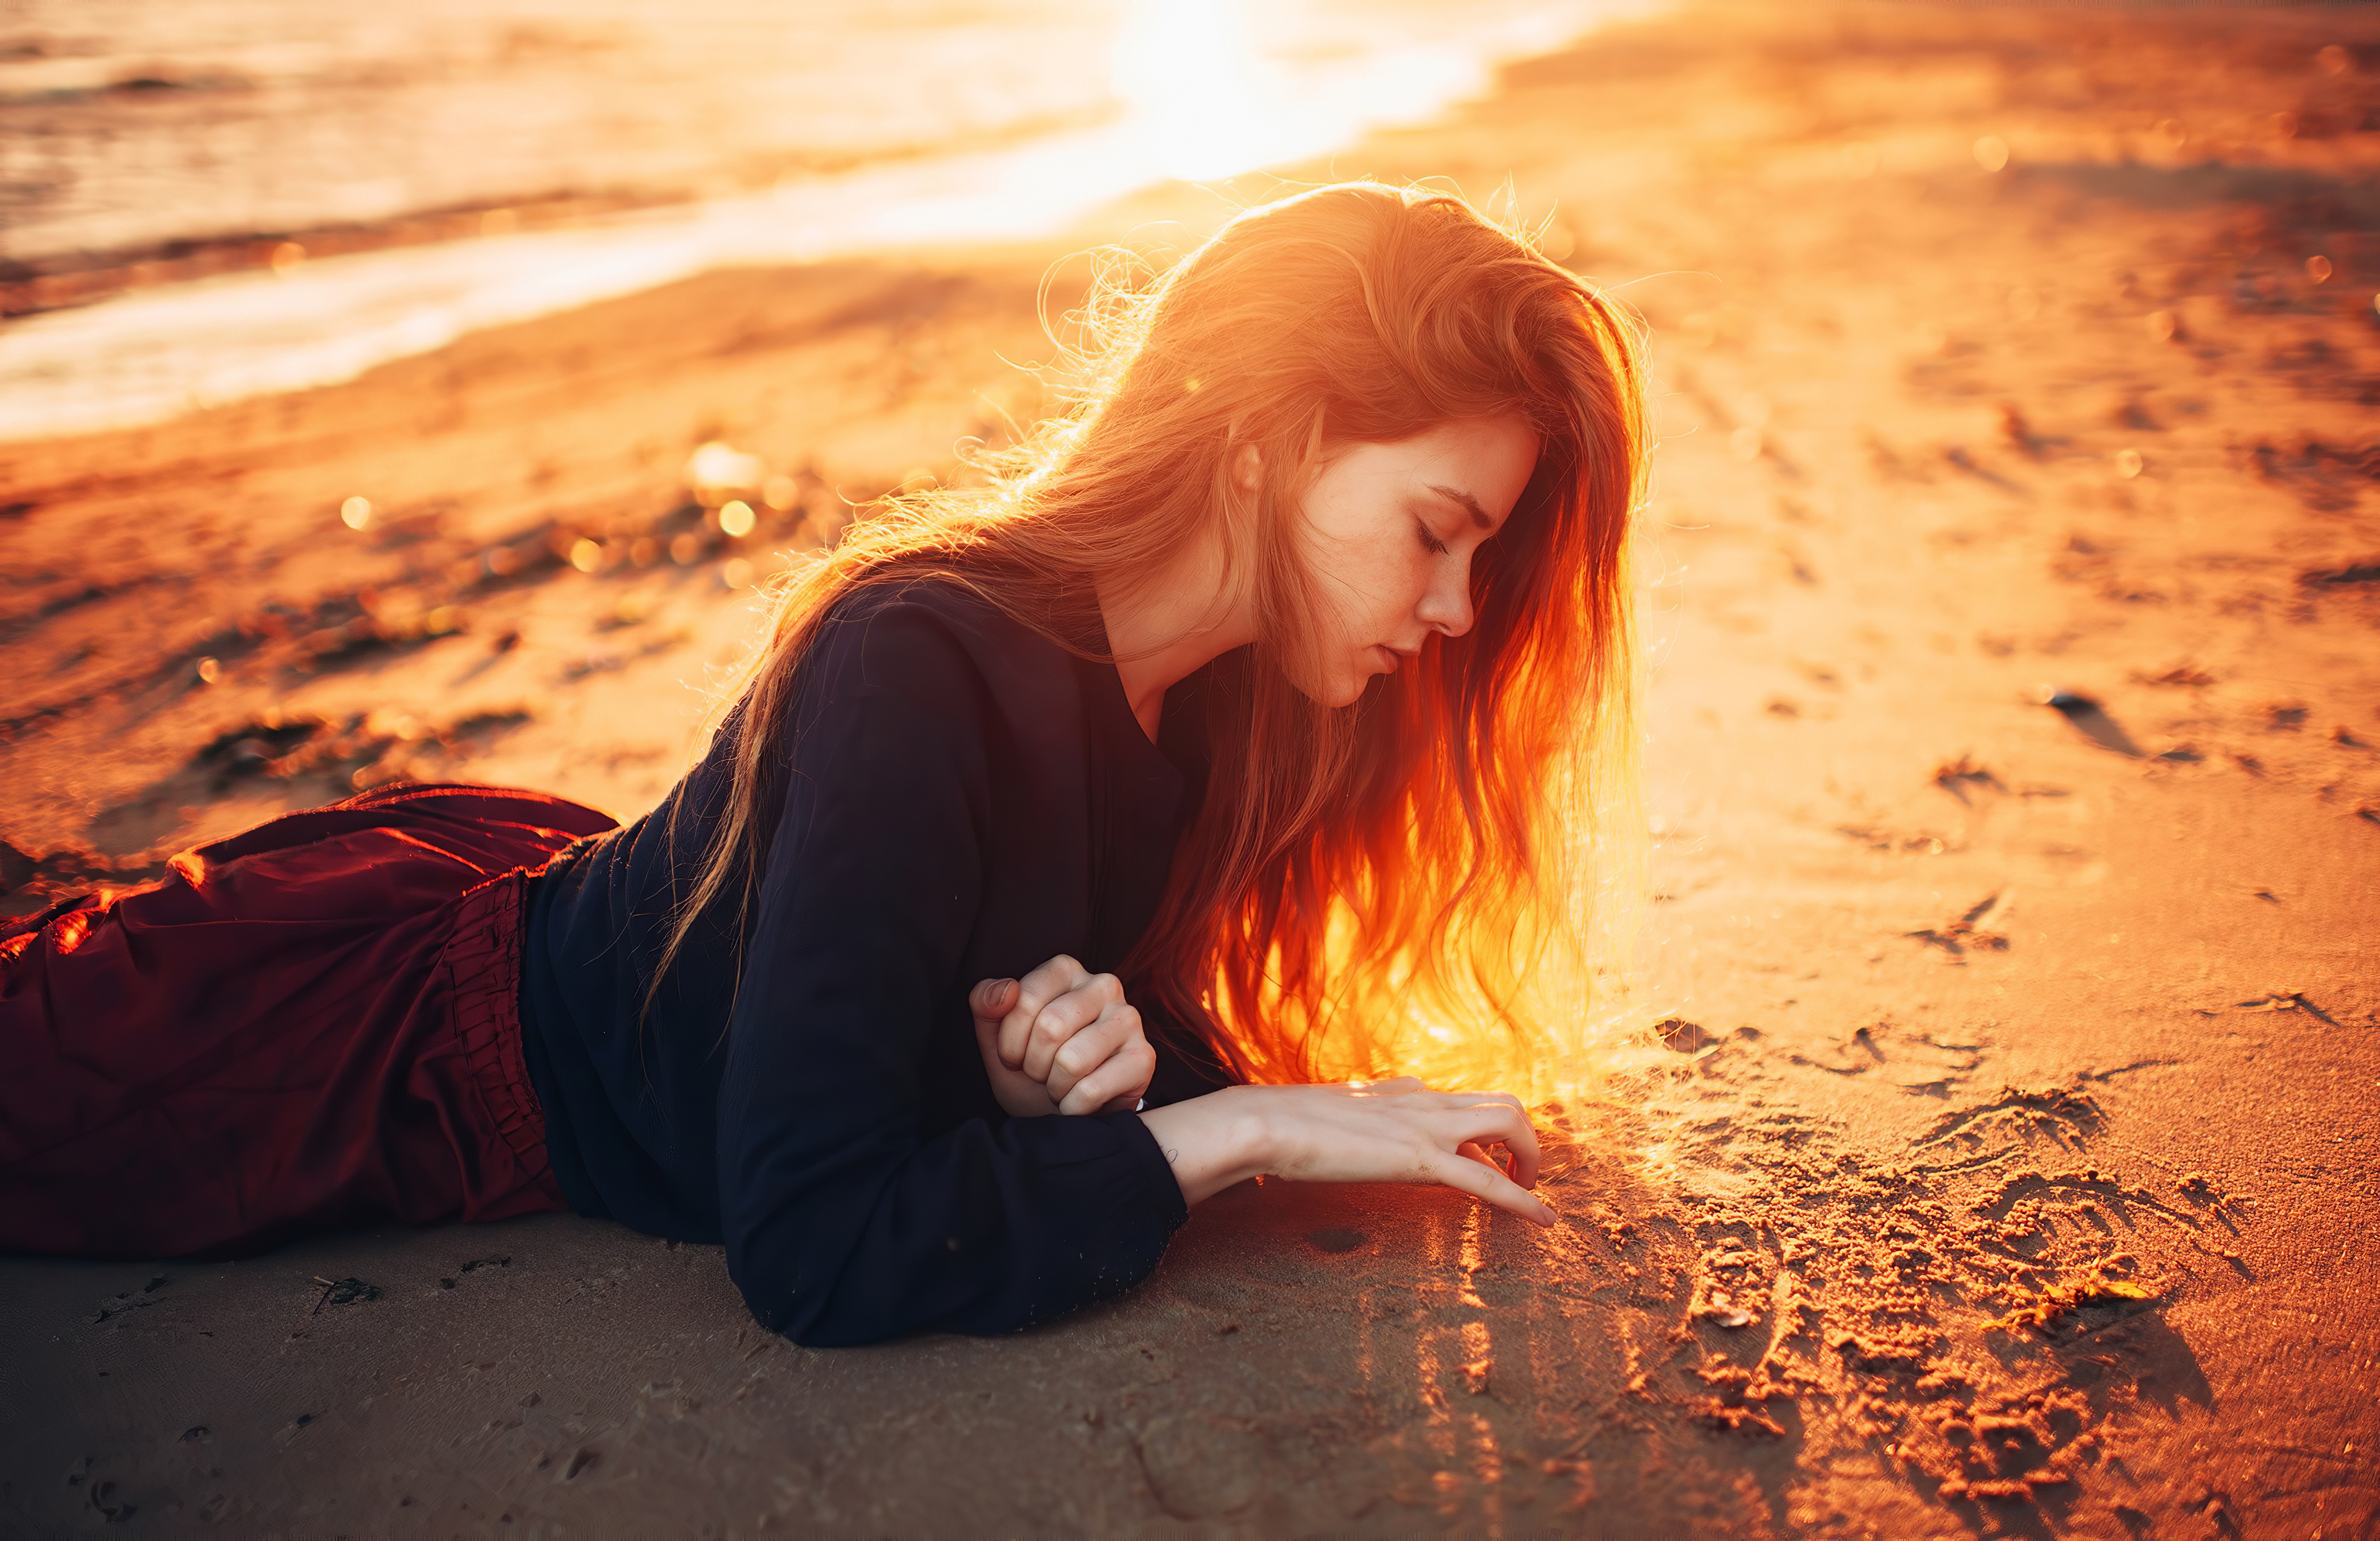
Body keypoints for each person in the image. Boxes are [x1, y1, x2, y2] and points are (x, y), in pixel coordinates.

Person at [0, 182, 1647, 1346]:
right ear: (1274, 436)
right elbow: (809, 1248)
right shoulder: (915, 656)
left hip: (607, 923)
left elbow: (930, 1063)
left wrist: (1048, 1090)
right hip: (374, 1047)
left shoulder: (1213, 713)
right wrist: (1254, 1135)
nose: (1446, 613)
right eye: (1438, 535)